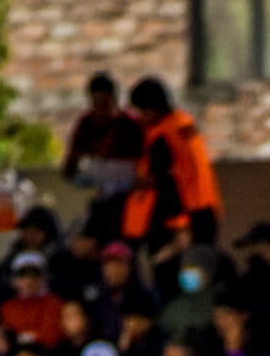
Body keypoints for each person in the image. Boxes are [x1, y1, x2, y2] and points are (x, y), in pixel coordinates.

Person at [123, 77, 222, 251]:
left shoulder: (163, 135)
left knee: (173, 269)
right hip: (205, 207)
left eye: (142, 111)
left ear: (152, 108)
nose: (141, 117)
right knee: (200, 265)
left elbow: (159, 178)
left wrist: (130, 181)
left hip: (181, 216)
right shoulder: (183, 122)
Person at [61, 72, 145, 241]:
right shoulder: (87, 124)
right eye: (97, 105)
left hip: (129, 201)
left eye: (105, 105)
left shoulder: (131, 125)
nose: (102, 112)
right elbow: (68, 167)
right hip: (97, 198)